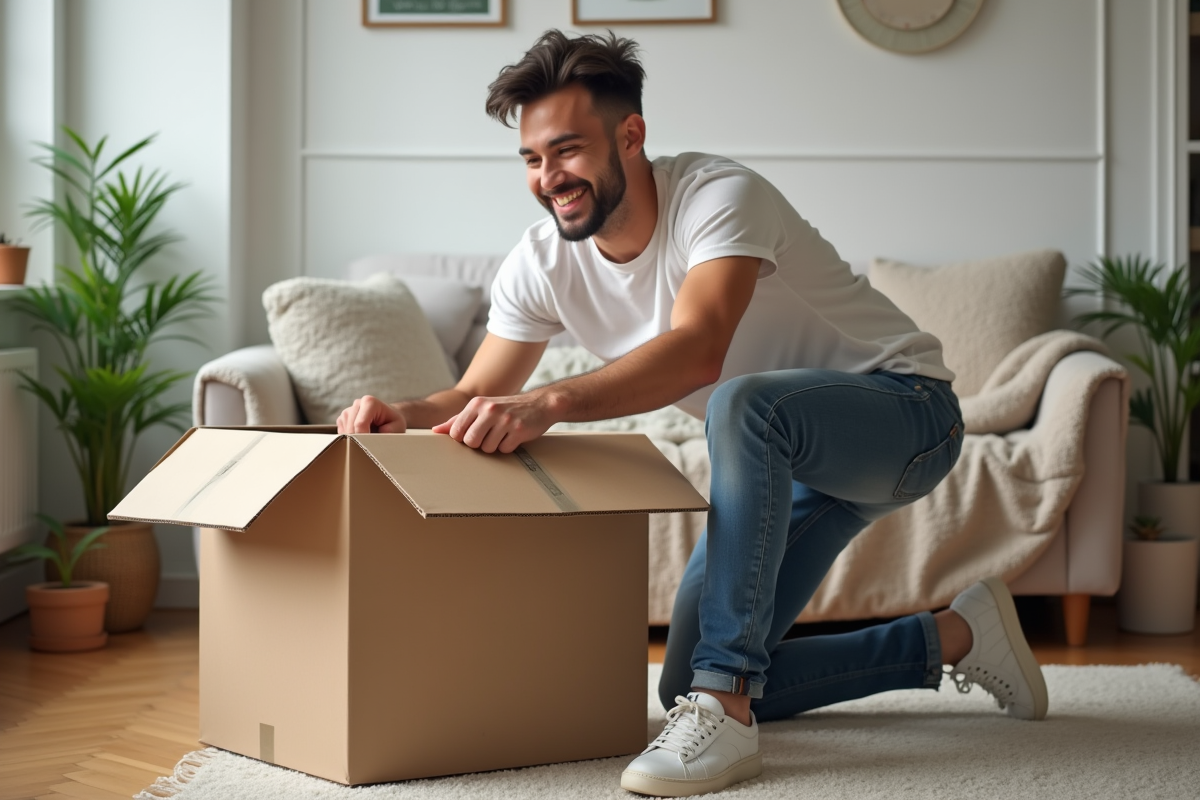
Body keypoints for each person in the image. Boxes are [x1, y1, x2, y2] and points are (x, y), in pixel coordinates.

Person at [337, 29, 1048, 798]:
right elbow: (471, 392)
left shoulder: (718, 198)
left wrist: (549, 403)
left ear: (631, 136)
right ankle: (958, 635)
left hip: (907, 415)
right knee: (684, 675)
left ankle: (727, 709)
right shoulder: (541, 262)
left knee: (745, 408)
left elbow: (700, 348)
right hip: (797, 464)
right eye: (533, 160)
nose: (549, 178)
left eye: (567, 152)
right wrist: (401, 413)